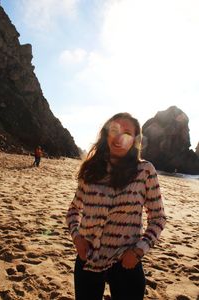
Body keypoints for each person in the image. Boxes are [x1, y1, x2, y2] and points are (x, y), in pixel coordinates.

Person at [66, 112, 166, 300]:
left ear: (135, 139)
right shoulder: (90, 169)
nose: (120, 137)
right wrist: (77, 238)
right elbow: (73, 211)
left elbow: (158, 218)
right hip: (88, 259)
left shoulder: (145, 171)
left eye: (127, 132)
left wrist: (138, 252)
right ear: (107, 134)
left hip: (126, 261)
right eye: (115, 130)